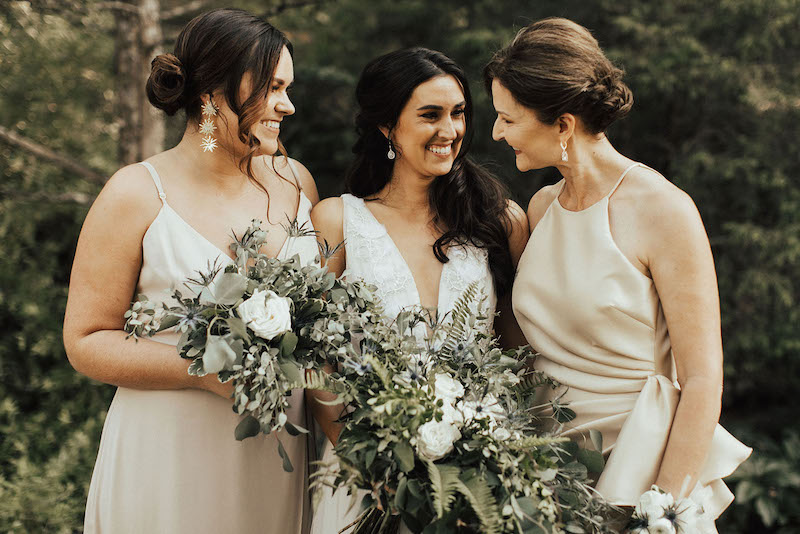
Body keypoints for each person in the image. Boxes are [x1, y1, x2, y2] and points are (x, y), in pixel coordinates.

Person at [484, 17, 751, 526]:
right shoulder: (540, 209)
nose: (496, 132)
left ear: (563, 124)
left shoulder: (663, 210)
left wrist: (662, 510)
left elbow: (702, 380)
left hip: (638, 469)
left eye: (508, 119)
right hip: (542, 477)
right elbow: (522, 347)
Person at [63, 9, 319, 533]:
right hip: (168, 449)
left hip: (277, 451)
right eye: (272, 87)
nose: (287, 105)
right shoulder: (134, 193)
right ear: (212, 92)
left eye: (287, 87)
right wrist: (205, 373)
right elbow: (86, 340)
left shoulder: (295, 181)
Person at [307, 47, 529, 533]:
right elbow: (315, 360)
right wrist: (373, 463)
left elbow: (517, 350)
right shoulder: (336, 221)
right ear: (388, 126)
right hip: (364, 478)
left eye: (458, 113)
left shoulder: (499, 221)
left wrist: (496, 456)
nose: (449, 131)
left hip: (477, 482)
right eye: (430, 115)